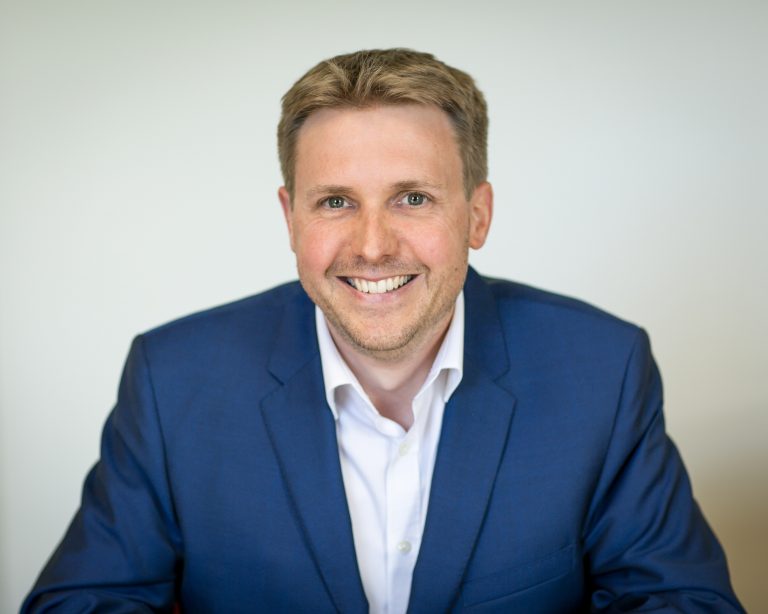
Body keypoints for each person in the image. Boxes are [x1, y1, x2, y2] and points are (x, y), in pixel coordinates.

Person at [23, 48, 743, 613]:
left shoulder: (602, 368)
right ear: (290, 218)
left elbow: (682, 602)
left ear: (477, 215)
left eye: (413, 198)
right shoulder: (172, 379)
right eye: (336, 202)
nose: (372, 247)